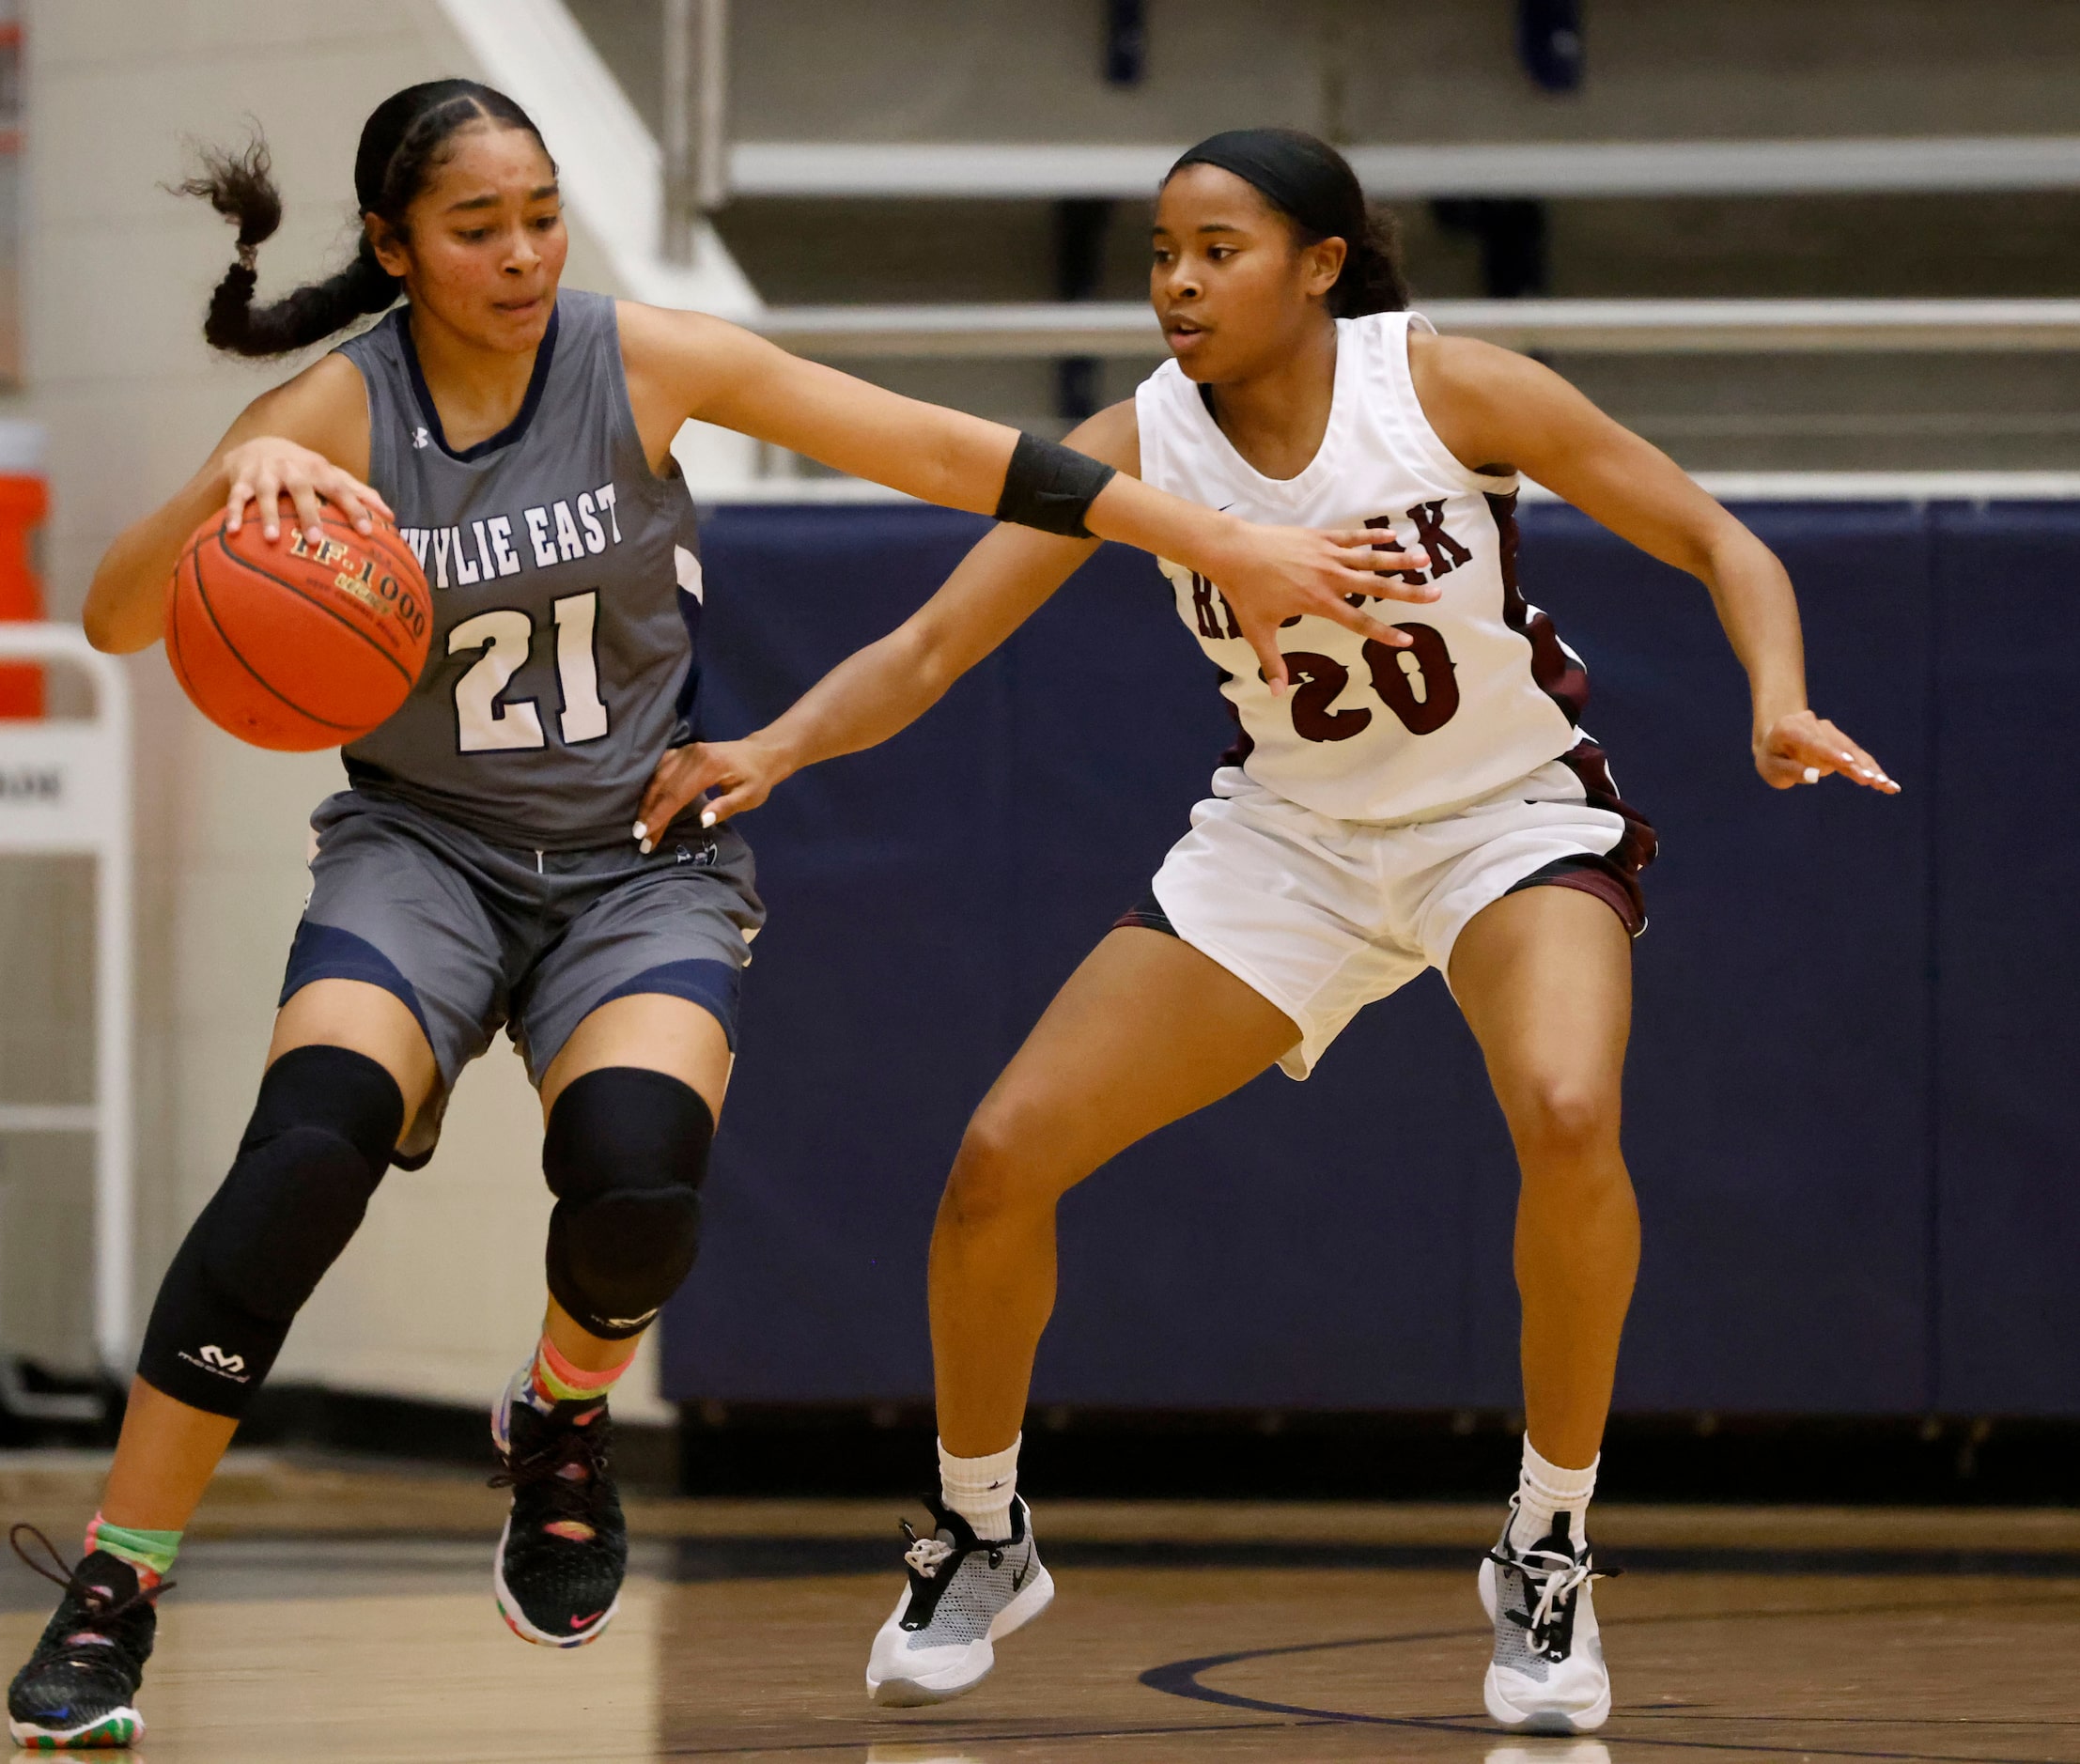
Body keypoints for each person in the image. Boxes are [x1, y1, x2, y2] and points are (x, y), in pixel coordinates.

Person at [0, 85, 1411, 1751]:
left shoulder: (641, 356)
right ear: (393, 249)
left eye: (541, 212)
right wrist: (235, 466)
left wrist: (1214, 535)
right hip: (421, 853)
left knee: (636, 1185)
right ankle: (115, 1583)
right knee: (302, 1161)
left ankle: (561, 1420)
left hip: (635, 858)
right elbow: (110, 616)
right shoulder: (335, 409)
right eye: (477, 227)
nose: (524, 252)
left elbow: (947, 453)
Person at [631, 127, 1899, 1734]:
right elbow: (934, 642)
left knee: (1569, 1110)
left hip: (1504, 819)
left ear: (1317, 264)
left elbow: (1723, 540)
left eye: (1215, 250)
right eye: (1160, 251)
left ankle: (1547, 1538)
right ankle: (976, 1523)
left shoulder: (1445, 390)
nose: (1174, 281)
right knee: (999, 1159)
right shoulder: (1135, 442)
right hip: (1285, 839)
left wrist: (1774, 696)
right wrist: (769, 746)